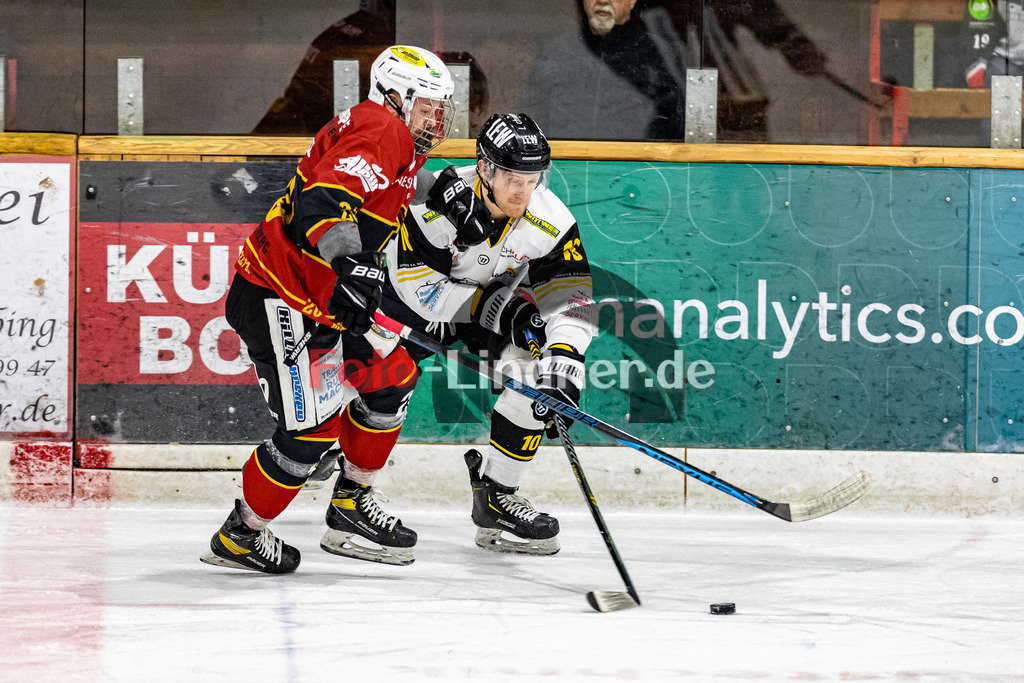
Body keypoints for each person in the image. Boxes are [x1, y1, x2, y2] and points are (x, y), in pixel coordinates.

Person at [201, 45, 456, 574]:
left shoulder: (388, 131)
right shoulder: (385, 129)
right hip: (281, 297)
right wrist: (352, 265)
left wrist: (439, 188)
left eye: (441, 107)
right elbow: (323, 202)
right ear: (394, 96)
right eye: (428, 105)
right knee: (311, 432)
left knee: (390, 376)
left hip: (319, 298)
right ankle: (241, 534)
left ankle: (350, 505)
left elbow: (383, 185)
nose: (437, 118)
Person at [377, 112, 595, 554]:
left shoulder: (549, 216)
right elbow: (419, 291)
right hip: (404, 306)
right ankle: (348, 482)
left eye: (533, 178)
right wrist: (507, 312)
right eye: (513, 177)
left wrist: (565, 362)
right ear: (485, 168)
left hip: (487, 310)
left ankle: (497, 497)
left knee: (539, 378)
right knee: (367, 392)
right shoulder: (435, 202)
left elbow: (571, 300)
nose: (523, 190)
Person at [524, 0, 829, 142]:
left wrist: (792, 41)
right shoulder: (625, 20)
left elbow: (755, 8)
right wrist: (683, 102)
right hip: (670, 122)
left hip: (742, 117)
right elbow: (611, 42)